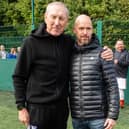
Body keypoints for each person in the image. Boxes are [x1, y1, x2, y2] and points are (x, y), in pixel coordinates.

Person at [12, 2, 113, 129]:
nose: (57, 22)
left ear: (66, 22)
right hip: (37, 110)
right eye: (53, 17)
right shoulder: (30, 43)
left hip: (61, 110)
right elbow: (18, 77)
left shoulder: (69, 42)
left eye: (61, 18)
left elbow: (86, 40)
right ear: (45, 17)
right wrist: (21, 107)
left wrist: (104, 50)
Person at [69, 14, 119, 129]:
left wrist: (112, 115)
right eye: (81, 28)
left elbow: (112, 86)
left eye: (88, 28)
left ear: (92, 30)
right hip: (77, 118)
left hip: (98, 119)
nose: (85, 32)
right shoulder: (69, 54)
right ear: (75, 30)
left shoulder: (103, 53)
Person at [114, 39, 129, 108]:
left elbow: (127, 63)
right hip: (113, 74)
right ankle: (114, 102)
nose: (120, 45)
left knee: (120, 89)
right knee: (113, 89)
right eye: (118, 44)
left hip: (122, 74)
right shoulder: (114, 53)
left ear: (123, 45)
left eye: (121, 44)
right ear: (115, 45)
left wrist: (118, 62)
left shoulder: (126, 53)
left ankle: (121, 103)